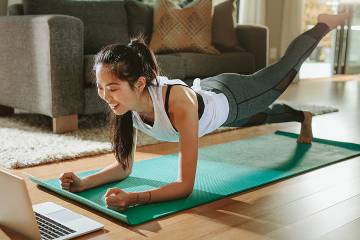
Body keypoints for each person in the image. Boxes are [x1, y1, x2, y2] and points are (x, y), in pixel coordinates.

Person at [59, 13, 349, 212]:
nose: (105, 97)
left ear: (140, 83)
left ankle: (323, 25)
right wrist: (84, 182)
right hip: (212, 98)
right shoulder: (126, 103)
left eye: (111, 88)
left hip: (233, 97)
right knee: (262, 116)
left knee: (283, 72)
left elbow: (184, 186)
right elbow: (125, 167)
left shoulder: (178, 104)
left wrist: (135, 198)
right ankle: (302, 117)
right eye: (99, 88)